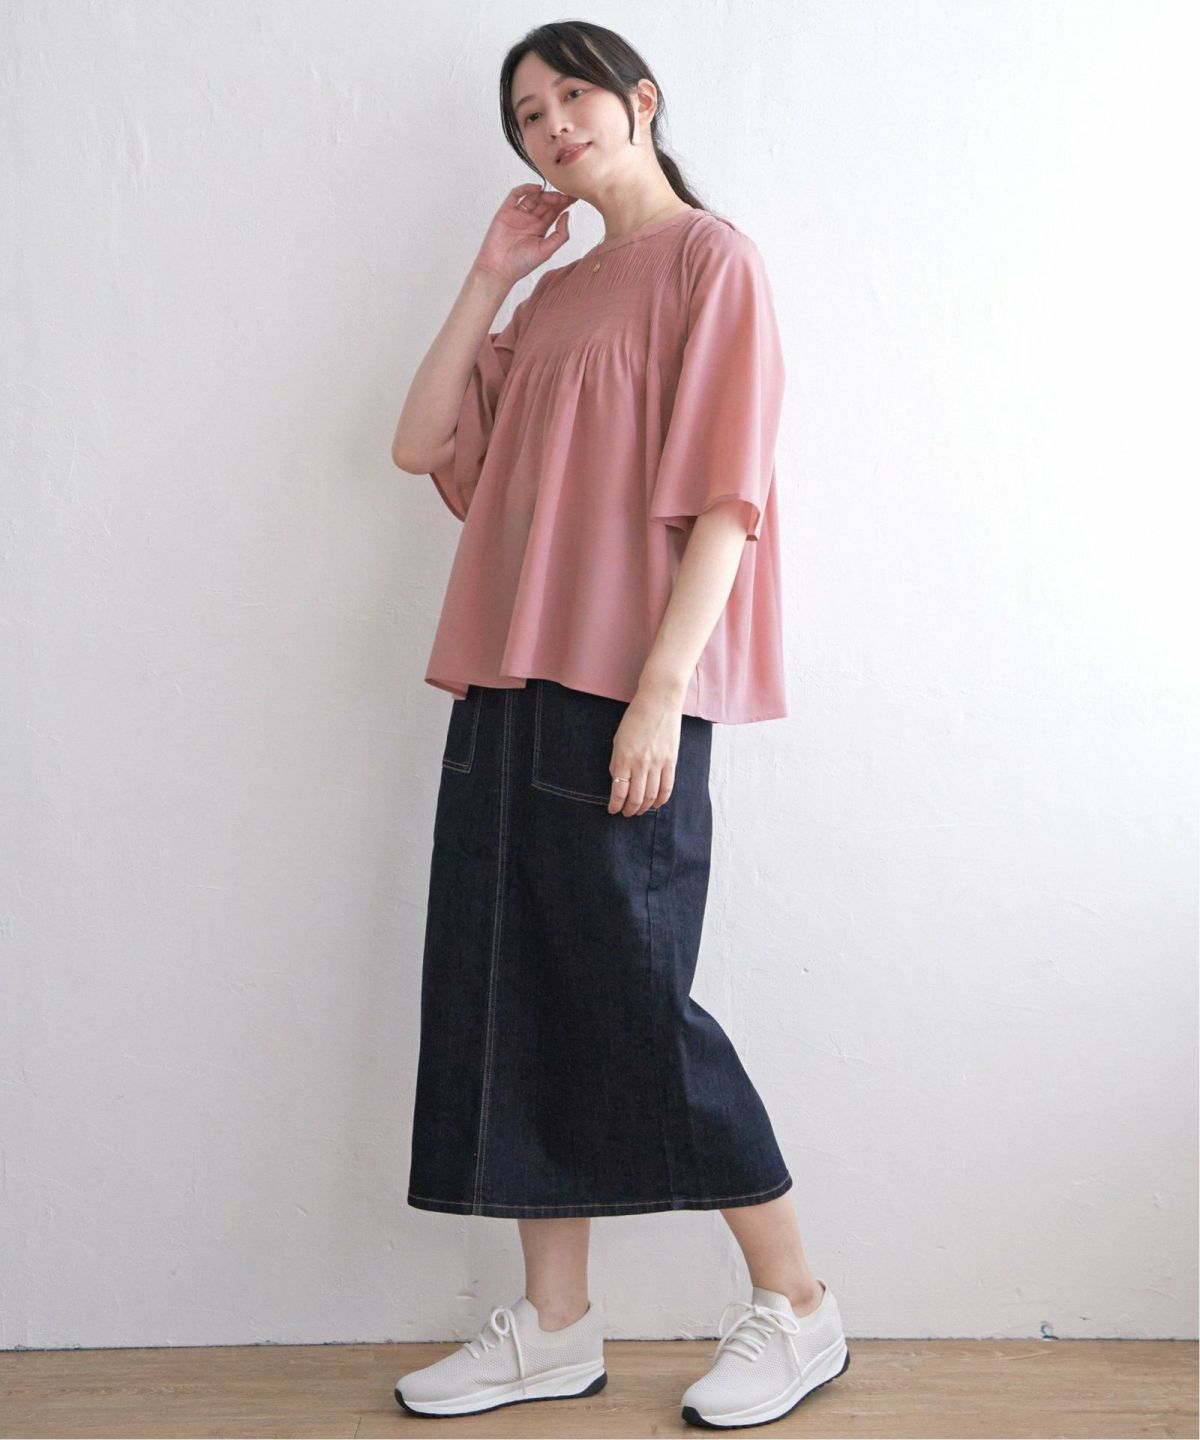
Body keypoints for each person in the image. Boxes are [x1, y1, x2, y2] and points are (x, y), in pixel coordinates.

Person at [389, 21, 849, 1431]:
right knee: (512, 993)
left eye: (574, 94)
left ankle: (799, 1305)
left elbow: (727, 502)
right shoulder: (553, 300)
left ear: (642, 100)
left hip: (625, 691)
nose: (554, 126)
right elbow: (421, 444)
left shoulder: (712, 262)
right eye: (528, 116)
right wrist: (490, 276)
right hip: (508, 684)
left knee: (636, 1004)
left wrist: (661, 693)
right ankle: (555, 1328)